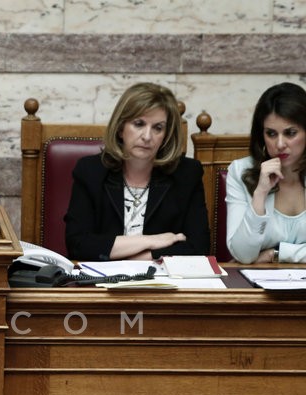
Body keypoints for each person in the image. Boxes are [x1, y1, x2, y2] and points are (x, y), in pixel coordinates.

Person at [64, 82, 209, 261]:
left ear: (166, 135)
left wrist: (130, 257)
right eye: (139, 124)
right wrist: (152, 241)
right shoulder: (90, 171)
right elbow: (78, 245)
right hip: (102, 278)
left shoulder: (187, 174)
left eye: (158, 128)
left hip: (161, 278)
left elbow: (199, 247)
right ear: (120, 128)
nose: (147, 136)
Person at [226, 82, 306, 264]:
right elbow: (243, 255)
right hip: (258, 280)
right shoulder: (240, 171)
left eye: (290, 133)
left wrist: (277, 254)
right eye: (271, 134)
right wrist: (260, 193)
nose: (280, 144)